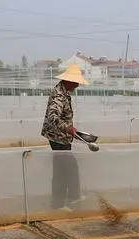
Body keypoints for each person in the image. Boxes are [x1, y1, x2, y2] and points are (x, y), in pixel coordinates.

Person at [41, 63, 88, 211]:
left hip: (63, 137)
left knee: (67, 169)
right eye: (76, 82)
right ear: (69, 80)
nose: (77, 86)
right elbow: (52, 117)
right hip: (58, 138)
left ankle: (70, 198)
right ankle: (60, 203)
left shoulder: (64, 91)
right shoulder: (59, 95)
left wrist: (70, 130)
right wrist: (68, 128)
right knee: (64, 170)